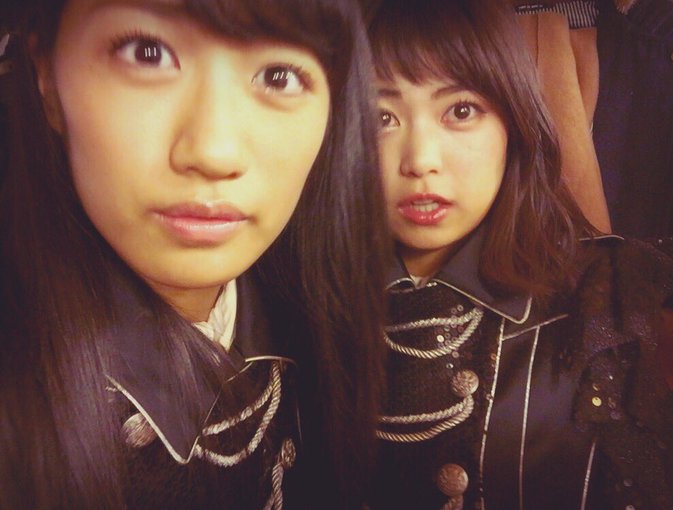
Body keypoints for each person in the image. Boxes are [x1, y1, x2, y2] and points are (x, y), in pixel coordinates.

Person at [0, 0, 387, 508]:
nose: (213, 152)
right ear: (47, 80)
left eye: (279, 76)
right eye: (147, 53)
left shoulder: (317, 322)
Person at [365, 0, 673, 508]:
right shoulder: (301, 306)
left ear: (512, 122)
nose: (420, 160)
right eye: (382, 117)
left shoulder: (608, 301)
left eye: (460, 111)